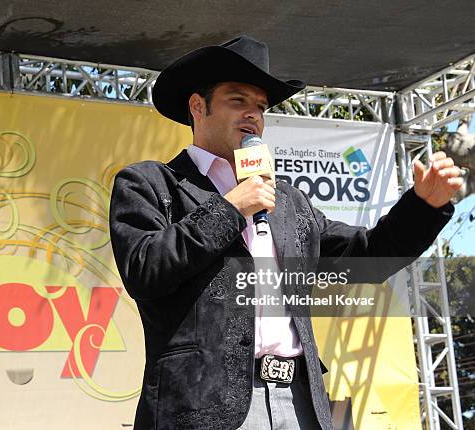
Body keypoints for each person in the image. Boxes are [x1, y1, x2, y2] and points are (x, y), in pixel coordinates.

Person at [109, 36, 462, 430]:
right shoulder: (152, 184)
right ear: (197, 106)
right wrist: (231, 208)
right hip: (201, 407)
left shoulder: (289, 202)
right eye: (237, 100)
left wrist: (424, 206)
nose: (252, 115)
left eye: (260, 107)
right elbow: (144, 270)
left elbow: (369, 257)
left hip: (298, 403)